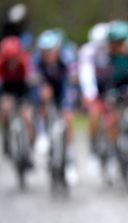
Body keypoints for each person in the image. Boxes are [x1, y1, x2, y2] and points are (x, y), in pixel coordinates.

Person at [78, 20, 128, 163]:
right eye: (114, 42)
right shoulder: (107, 56)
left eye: (120, 42)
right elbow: (105, 78)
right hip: (113, 85)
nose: (118, 45)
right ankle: (113, 149)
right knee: (111, 115)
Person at [30, 28, 79, 185]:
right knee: (42, 99)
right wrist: (38, 89)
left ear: (58, 49)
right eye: (45, 52)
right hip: (47, 87)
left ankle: (70, 156)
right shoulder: (37, 59)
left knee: (68, 116)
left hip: (63, 87)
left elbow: (72, 81)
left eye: (51, 51)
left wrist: (69, 102)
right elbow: (32, 79)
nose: (48, 55)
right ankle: (42, 133)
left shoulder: (67, 57)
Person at [0, 36, 33, 157]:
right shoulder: (1, 62)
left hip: (22, 87)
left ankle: (30, 145)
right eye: (9, 58)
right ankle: (6, 136)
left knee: (27, 116)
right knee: (5, 109)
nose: (12, 61)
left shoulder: (24, 60)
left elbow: (31, 74)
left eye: (14, 57)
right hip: (7, 87)